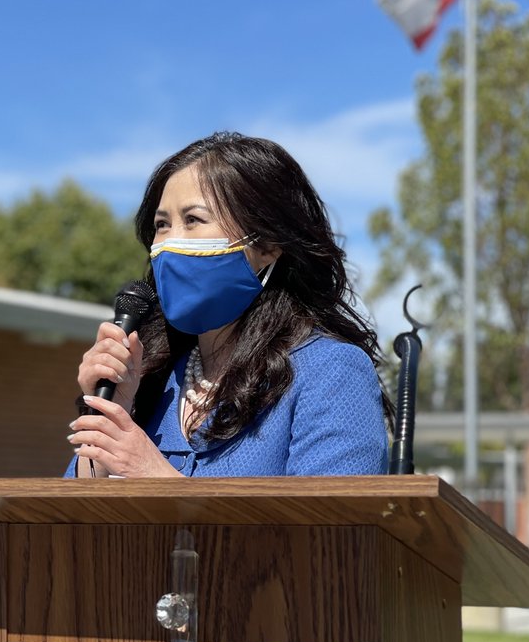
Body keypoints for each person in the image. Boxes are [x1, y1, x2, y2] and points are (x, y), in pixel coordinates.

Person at [67, 132, 391, 478]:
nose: (171, 243)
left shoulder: (330, 371)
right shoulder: (151, 378)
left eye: (193, 220)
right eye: (162, 225)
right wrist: (114, 409)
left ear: (266, 247)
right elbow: (70, 522)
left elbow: (331, 529)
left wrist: (158, 479)